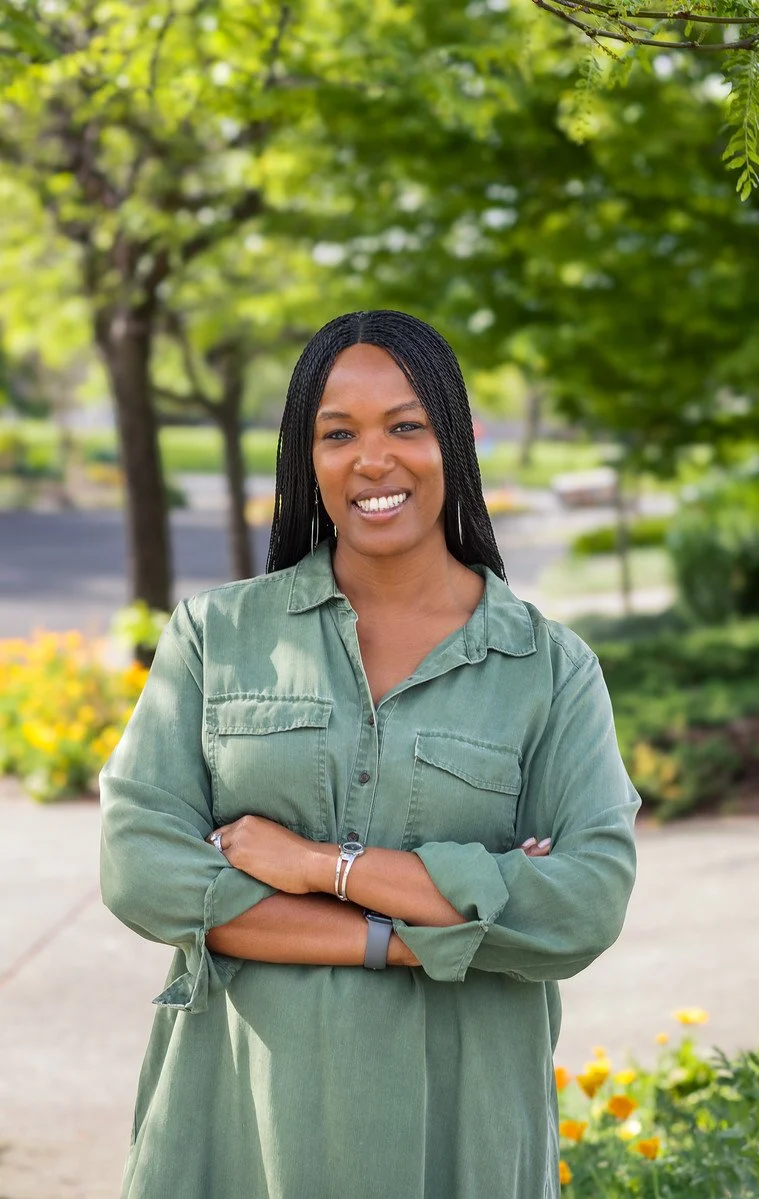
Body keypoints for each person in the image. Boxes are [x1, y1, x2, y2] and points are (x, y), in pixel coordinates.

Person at [99, 309, 639, 1199]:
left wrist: (314, 864)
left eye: (406, 425)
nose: (372, 459)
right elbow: (141, 869)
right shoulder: (215, 637)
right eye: (338, 432)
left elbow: (582, 905)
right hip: (235, 1133)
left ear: (456, 440)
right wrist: (421, 931)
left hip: (461, 1137)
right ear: (305, 458)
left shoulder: (550, 668)